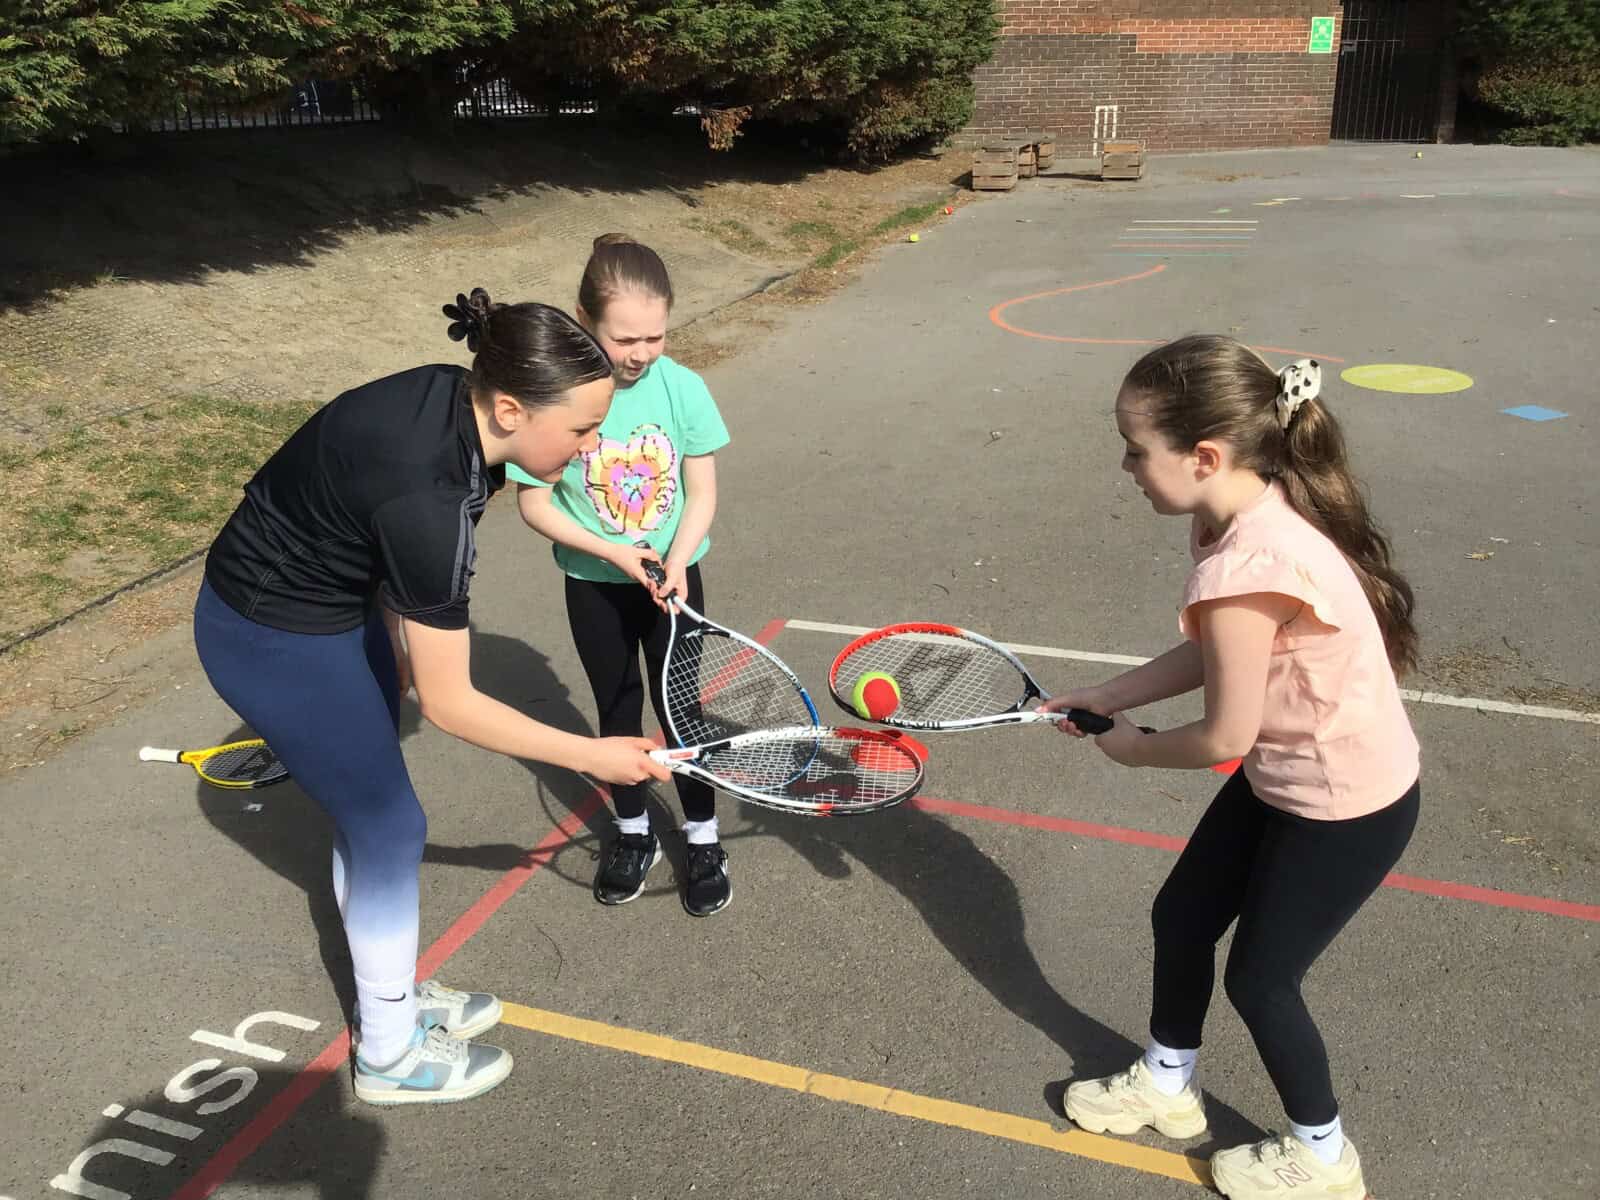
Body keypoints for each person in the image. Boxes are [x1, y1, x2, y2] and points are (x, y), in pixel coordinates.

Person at [194, 289, 670, 1105]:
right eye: (583, 429)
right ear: (512, 409)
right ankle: (388, 1054)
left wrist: (396, 637)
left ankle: (390, 995)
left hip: (330, 606)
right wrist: (593, 756)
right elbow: (452, 706)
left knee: (371, 814)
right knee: (390, 824)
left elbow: (359, 522)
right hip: (268, 633)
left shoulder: (454, 400)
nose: (593, 448)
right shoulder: (433, 497)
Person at [1044, 336, 1420, 1198]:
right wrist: (1108, 692)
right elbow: (1220, 652)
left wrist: (1133, 747)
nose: (1126, 467)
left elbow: (1223, 735)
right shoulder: (1238, 515)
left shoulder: (1250, 563)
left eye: (1136, 450)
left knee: (1262, 979)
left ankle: (1323, 1156)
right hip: (1289, 778)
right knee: (1182, 916)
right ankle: (1168, 1083)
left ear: (1204, 456)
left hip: (1347, 806)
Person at [513, 234, 734, 917]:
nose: (641, 353)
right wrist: (611, 552)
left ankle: (703, 837)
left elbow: (701, 493)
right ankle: (634, 831)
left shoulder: (683, 387)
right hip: (595, 585)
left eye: (655, 337)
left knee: (681, 711)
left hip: (673, 584)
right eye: (624, 338)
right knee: (616, 708)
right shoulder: (557, 396)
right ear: (585, 318)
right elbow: (534, 503)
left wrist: (678, 559)